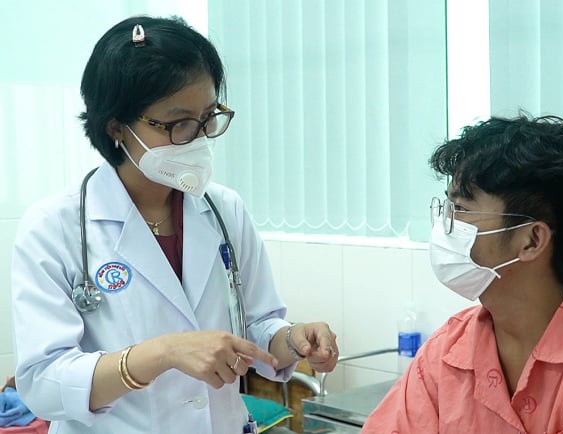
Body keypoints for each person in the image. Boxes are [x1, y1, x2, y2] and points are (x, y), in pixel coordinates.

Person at [11, 15, 338, 434]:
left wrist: (293, 338)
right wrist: (162, 353)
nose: (199, 138)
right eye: (179, 123)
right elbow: (43, 383)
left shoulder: (224, 210)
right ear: (117, 128)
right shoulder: (54, 228)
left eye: (208, 117)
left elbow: (257, 326)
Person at [362, 114, 563, 433]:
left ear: (531, 240)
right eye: (447, 209)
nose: (445, 227)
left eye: (461, 210)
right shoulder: (446, 351)